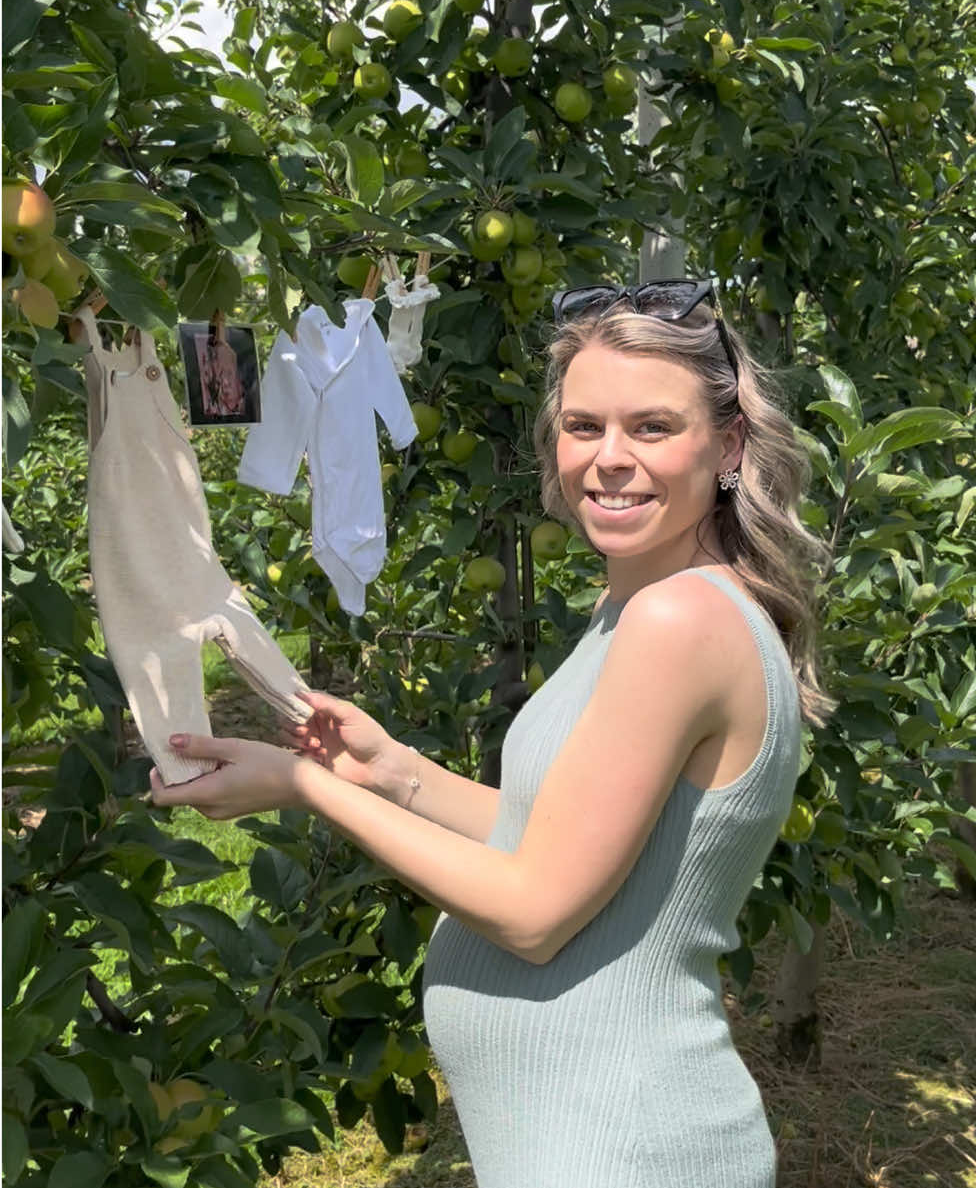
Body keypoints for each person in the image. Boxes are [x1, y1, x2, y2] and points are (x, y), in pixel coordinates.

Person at [151, 278, 832, 1187]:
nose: (609, 458)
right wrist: (393, 773)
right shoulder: (636, 605)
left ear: (730, 445)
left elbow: (533, 909)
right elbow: (550, 829)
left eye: (653, 427)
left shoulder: (679, 622)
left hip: (619, 1147)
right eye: (584, 425)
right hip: (584, 1137)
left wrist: (302, 785)